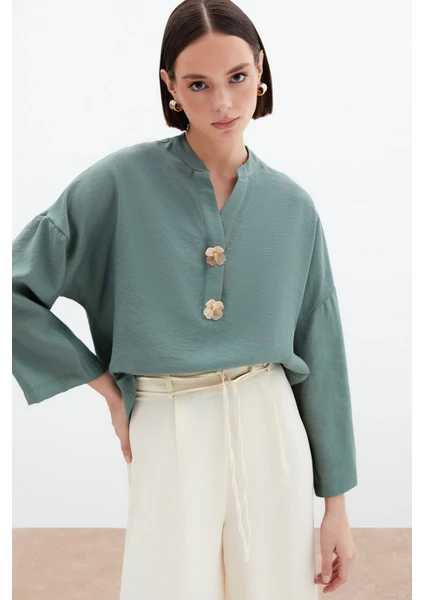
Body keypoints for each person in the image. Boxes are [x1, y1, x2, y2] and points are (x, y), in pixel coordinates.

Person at [12, 0, 358, 598]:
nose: (223, 102)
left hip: (270, 421)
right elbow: (14, 294)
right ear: (170, 87)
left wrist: (337, 508)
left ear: (260, 70)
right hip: (166, 419)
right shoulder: (118, 183)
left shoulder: (293, 207)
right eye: (198, 84)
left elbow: (320, 347)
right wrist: (106, 388)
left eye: (237, 77)